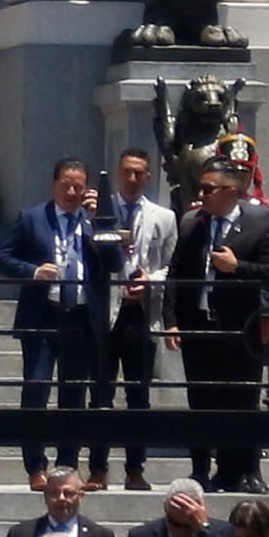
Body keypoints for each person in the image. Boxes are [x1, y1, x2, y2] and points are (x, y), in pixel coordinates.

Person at [165, 138, 269, 494]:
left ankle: (245, 469)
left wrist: (237, 267)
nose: (200, 195)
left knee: (243, 400)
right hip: (199, 325)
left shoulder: (259, 221)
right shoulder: (192, 223)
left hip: (242, 326)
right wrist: (171, 319)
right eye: (200, 188)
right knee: (202, 400)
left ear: (231, 191)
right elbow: (176, 274)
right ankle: (201, 468)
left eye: (208, 189)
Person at [0, 158, 112, 486]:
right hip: (43, 315)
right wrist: (32, 271)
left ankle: (67, 466)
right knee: (36, 387)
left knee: (73, 395)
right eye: (66, 186)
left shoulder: (96, 220)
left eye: (79, 187)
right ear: (53, 185)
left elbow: (115, 262)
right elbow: (2, 258)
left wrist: (99, 224)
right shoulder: (32, 218)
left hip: (81, 318)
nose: (72, 192)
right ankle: (36, 466)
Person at [96, 148, 180, 491]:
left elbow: (172, 267)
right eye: (127, 172)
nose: (132, 179)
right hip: (105, 314)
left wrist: (151, 282)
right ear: (118, 173)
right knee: (101, 394)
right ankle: (98, 468)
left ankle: (135, 469)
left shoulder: (164, 217)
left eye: (139, 173)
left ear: (148, 177)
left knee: (139, 396)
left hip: (142, 315)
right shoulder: (100, 212)